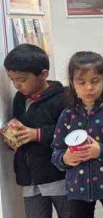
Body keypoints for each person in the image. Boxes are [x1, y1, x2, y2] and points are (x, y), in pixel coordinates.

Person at [51, 52, 103, 218]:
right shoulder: (67, 114)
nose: (89, 87)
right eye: (81, 82)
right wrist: (65, 159)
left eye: (95, 81)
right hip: (77, 187)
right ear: (72, 83)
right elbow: (56, 151)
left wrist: (101, 150)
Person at [4, 44, 68, 218]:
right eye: (12, 79)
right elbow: (20, 126)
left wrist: (38, 134)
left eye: (22, 79)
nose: (17, 85)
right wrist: (12, 137)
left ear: (44, 74)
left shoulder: (63, 97)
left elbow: (70, 132)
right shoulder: (19, 99)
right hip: (29, 177)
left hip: (58, 174)